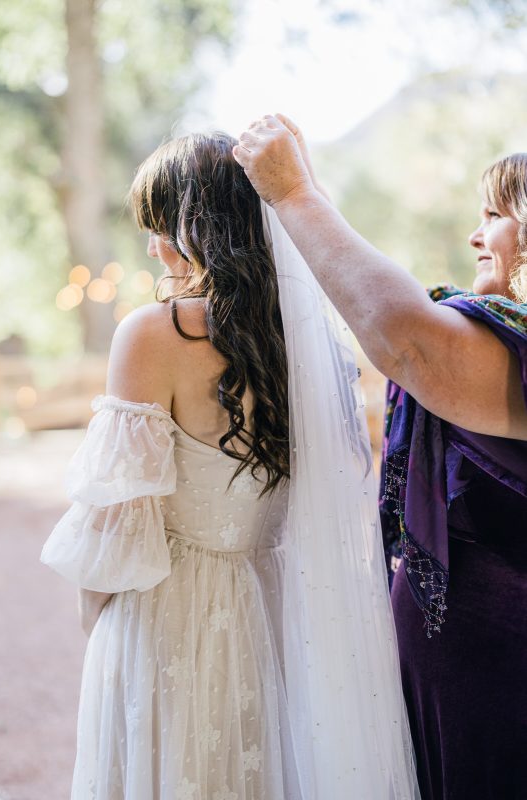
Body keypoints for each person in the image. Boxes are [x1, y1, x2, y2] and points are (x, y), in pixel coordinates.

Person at [40, 132, 420, 799]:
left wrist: (97, 629)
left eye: (160, 227)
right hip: (272, 621)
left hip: (168, 621)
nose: (154, 247)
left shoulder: (156, 334)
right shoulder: (308, 349)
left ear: (197, 229)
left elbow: (114, 531)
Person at [233, 116, 527, 800]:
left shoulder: (509, 354)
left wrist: (296, 195)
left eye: (495, 214)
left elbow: (409, 344)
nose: (476, 236)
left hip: (502, 699)